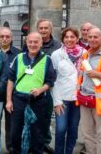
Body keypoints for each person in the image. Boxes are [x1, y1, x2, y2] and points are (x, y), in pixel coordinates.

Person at [6, 32, 56, 154]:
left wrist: (40, 90)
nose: (33, 44)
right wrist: (9, 100)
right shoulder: (18, 58)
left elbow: (50, 81)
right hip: (19, 99)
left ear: (41, 43)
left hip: (38, 100)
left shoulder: (47, 59)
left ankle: (36, 151)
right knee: (15, 131)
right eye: (30, 42)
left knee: (37, 131)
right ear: (26, 42)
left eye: (36, 42)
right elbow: (11, 80)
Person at [51, 27, 85, 154]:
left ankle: (69, 151)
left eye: (72, 37)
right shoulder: (56, 55)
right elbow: (53, 79)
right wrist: (57, 101)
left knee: (73, 129)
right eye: (67, 37)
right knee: (60, 129)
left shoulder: (84, 53)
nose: (69, 39)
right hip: (62, 98)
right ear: (63, 39)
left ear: (77, 38)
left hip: (78, 98)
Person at [36, 19, 61, 154]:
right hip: (34, 86)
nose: (43, 30)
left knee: (46, 117)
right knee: (33, 117)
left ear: (50, 30)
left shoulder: (57, 46)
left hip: (50, 87)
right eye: (41, 28)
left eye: (46, 28)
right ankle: (33, 142)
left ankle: (45, 143)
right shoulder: (32, 42)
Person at [0, 27, 20, 153]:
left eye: (7, 36)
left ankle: (11, 147)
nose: (4, 39)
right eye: (2, 36)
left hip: (12, 94)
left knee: (11, 123)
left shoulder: (19, 53)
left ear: (11, 38)